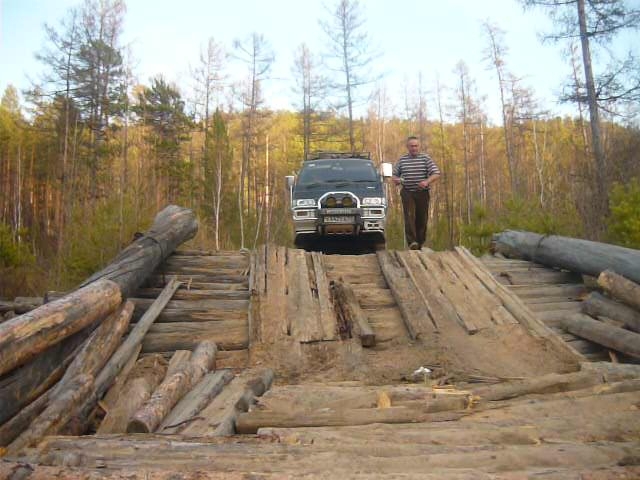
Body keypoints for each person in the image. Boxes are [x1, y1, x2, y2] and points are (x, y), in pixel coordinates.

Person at [392, 136, 441, 250]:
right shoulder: (402, 160)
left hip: (422, 192)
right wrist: (397, 180)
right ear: (407, 147)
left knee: (422, 218)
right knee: (409, 217)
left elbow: (436, 173)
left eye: (416, 146)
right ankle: (412, 242)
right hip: (407, 192)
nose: (414, 148)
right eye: (411, 146)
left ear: (419, 146)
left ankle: (420, 242)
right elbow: (394, 175)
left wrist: (427, 181)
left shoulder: (425, 159)